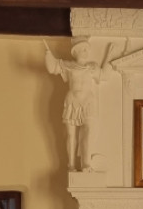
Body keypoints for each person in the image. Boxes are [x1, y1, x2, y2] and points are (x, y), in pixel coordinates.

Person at [43, 39, 102, 171]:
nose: (86, 52)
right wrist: (47, 52)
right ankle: (71, 165)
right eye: (83, 49)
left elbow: (103, 75)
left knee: (88, 130)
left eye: (87, 49)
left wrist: (108, 61)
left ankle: (86, 163)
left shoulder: (92, 67)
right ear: (75, 51)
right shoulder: (68, 66)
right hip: (72, 101)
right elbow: (52, 68)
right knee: (71, 135)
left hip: (88, 101)